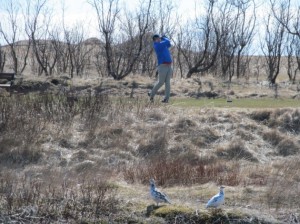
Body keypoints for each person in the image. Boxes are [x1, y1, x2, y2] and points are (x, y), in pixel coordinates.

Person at [148, 34, 173, 103]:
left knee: (168, 83)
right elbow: (167, 41)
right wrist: (164, 37)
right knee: (161, 82)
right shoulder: (157, 45)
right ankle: (151, 95)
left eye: (159, 38)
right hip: (162, 66)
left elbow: (169, 44)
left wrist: (163, 38)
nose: (159, 39)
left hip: (169, 66)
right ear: (154, 40)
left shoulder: (162, 45)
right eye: (157, 38)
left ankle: (166, 99)